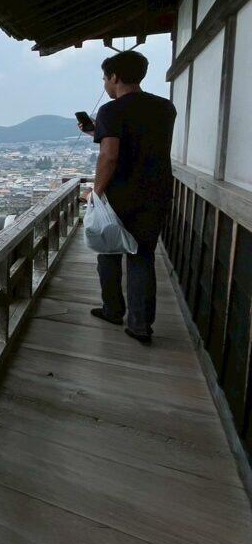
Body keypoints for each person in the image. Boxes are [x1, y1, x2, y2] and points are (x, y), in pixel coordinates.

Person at [80, 50, 176, 343]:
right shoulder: (165, 108)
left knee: (109, 252)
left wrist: (95, 193)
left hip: (120, 195)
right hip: (157, 192)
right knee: (142, 257)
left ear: (115, 77)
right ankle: (140, 325)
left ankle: (112, 309)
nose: (105, 84)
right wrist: (96, 131)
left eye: (105, 78)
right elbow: (141, 139)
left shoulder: (111, 110)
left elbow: (110, 156)